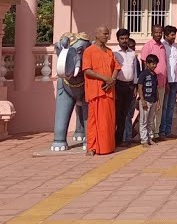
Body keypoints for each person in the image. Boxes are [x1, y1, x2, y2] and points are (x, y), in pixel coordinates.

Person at [82, 26, 118, 155]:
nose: (107, 36)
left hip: (108, 91)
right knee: (94, 120)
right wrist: (104, 78)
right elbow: (87, 70)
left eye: (108, 34)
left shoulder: (109, 52)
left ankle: (108, 146)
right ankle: (92, 147)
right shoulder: (89, 51)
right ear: (96, 34)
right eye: (105, 34)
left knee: (108, 121)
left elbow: (116, 67)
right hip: (96, 91)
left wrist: (111, 80)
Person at [51, 32, 88, 151]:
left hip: (86, 81)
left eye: (79, 52)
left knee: (87, 111)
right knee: (63, 110)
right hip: (66, 84)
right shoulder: (63, 80)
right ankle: (59, 139)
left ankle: (88, 137)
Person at [113, 34, 140, 145]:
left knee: (128, 113)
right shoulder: (114, 53)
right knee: (118, 114)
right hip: (118, 86)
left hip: (130, 86)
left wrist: (135, 87)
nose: (124, 41)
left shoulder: (132, 53)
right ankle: (116, 139)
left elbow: (135, 72)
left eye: (126, 38)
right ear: (118, 39)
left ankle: (124, 139)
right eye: (122, 39)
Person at [159, 25, 177, 139]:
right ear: (166, 35)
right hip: (165, 80)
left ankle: (168, 130)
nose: (174, 37)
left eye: (174, 35)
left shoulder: (175, 47)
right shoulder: (162, 47)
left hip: (174, 80)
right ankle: (161, 131)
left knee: (171, 106)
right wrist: (165, 81)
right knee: (164, 107)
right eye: (172, 35)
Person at [138, 55, 161, 145]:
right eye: (152, 64)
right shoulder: (143, 74)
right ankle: (144, 140)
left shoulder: (154, 75)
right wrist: (142, 100)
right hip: (146, 100)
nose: (154, 66)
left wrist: (158, 101)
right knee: (143, 121)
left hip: (153, 100)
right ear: (147, 64)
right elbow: (140, 87)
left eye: (155, 64)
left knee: (150, 121)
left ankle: (150, 138)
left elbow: (156, 89)